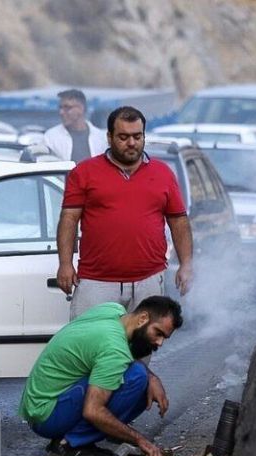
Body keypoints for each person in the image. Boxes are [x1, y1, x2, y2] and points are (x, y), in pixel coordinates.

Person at [56, 106, 193, 322]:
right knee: (91, 347)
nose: (131, 143)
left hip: (149, 281)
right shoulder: (84, 172)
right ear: (109, 138)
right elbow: (69, 219)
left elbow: (178, 220)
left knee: (140, 350)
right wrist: (65, 264)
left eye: (137, 136)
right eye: (123, 137)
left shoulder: (163, 173)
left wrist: (186, 264)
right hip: (96, 282)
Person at [19, 296, 183, 456]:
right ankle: (69, 445)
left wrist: (153, 377)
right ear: (142, 319)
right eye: (158, 333)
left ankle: (99, 432)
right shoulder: (114, 350)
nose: (159, 342)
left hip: (39, 406)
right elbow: (93, 411)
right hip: (46, 416)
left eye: (164, 337)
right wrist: (140, 441)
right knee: (137, 377)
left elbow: (118, 351)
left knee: (142, 377)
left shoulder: (112, 310)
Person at [43, 88, 108, 162]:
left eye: (67, 107)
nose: (61, 112)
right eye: (60, 108)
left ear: (81, 108)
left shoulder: (101, 138)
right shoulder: (51, 137)